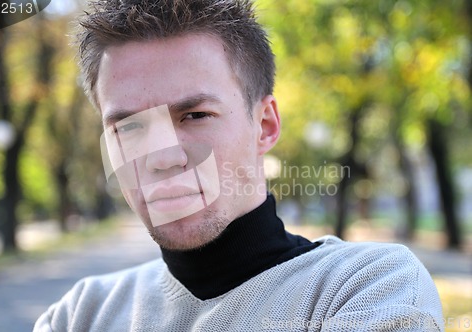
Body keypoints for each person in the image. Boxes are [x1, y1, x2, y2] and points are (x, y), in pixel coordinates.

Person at [34, 0, 444, 331]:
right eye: (130, 127)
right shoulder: (80, 315)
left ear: (264, 125)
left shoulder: (366, 288)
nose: (161, 157)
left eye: (194, 115)